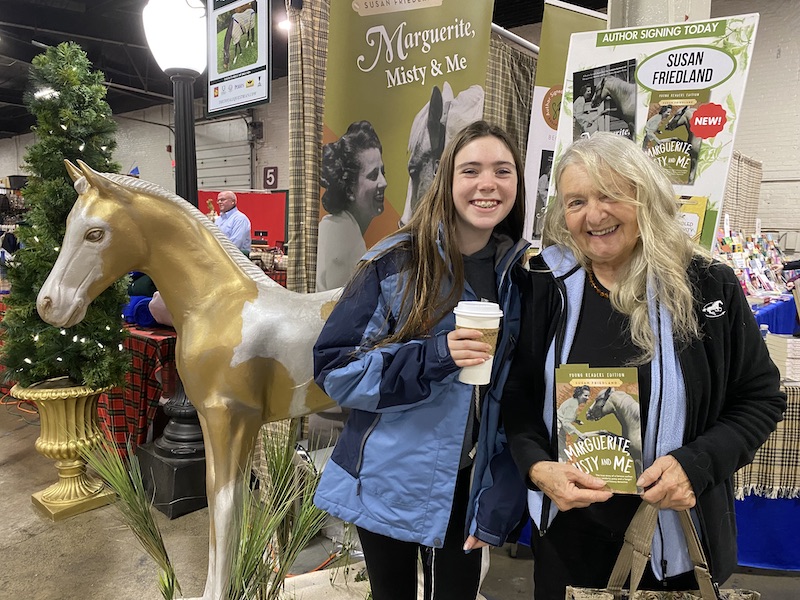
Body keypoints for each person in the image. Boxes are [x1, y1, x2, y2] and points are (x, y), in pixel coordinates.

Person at [501, 132, 786, 599]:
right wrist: (537, 467)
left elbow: (759, 397)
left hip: (675, 539)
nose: (594, 215)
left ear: (646, 197)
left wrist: (696, 465)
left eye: (611, 194)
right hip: (569, 541)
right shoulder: (544, 285)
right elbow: (517, 395)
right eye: (577, 201)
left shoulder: (706, 286)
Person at [312, 121, 530, 600]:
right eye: (471, 169)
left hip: (473, 484)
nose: (487, 184)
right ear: (447, 179)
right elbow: (336, 370)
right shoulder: (394, 262)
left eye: (503, 170)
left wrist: (501, 496)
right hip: (392, 478)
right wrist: (434, 355)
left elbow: (523, 396)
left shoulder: (523, 273)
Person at [316, 120, 387, 292]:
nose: (383, 183)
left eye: (383, 172)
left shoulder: (333, 224)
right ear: (349, 189)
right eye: (373, 175)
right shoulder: (344, 235)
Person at [556, 385, 589, 460]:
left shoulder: (573, 401)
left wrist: (576, 421)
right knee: (561, 452)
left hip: (560, 425)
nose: (587, 398)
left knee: (562, 452)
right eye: (585, 395)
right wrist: (579, 433)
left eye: (588, 396)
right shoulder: (573, 405)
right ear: (579, 395)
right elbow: (566, 423)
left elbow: (566, 415)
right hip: (558, 427)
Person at [215, 190, 252, 255]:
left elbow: (235, 244)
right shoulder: (218, 220)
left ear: (233, 202)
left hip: (236, 259)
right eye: (218, 200)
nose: (219, 202)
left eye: (222, 200)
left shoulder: (240, 219)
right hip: (220, 255)